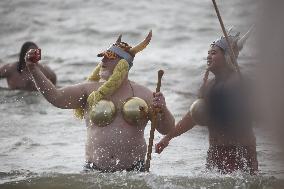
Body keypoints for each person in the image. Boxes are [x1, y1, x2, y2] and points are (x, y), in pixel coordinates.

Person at [25, 31, 174, 172]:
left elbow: (166, 129)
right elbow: (56, 98)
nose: (102, 60)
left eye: (109, 57)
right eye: (103, 56)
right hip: (94, 172)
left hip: (135, 173)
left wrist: (163, 108)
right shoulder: (89, 90)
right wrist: (33, 69)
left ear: (123, 64)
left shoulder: (144, 94)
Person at [155, 28, 258, 175]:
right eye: (208, 53)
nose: (208, 56)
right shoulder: (209, 86)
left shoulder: (241, 83)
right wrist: (168, 137)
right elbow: (193, 117)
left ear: (228, 57)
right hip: (215, 153)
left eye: (214, 53)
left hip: (240, 152)